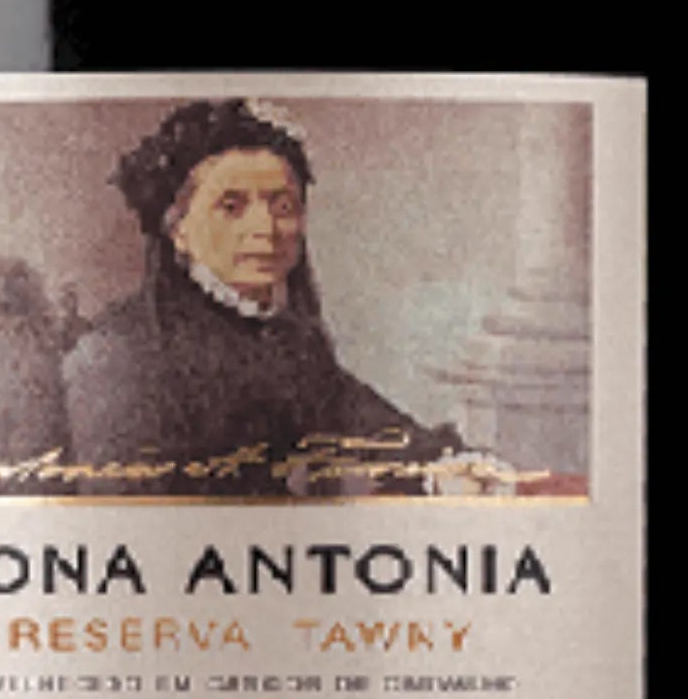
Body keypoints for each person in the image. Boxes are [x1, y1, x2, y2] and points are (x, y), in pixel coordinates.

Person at [59, 98, 462, 491]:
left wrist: (445, 469)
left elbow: (371, 426)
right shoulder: (119, 354)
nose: (265, 229)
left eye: (282, 206)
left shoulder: (292, 344)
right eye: (231, 206)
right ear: (178, 229)